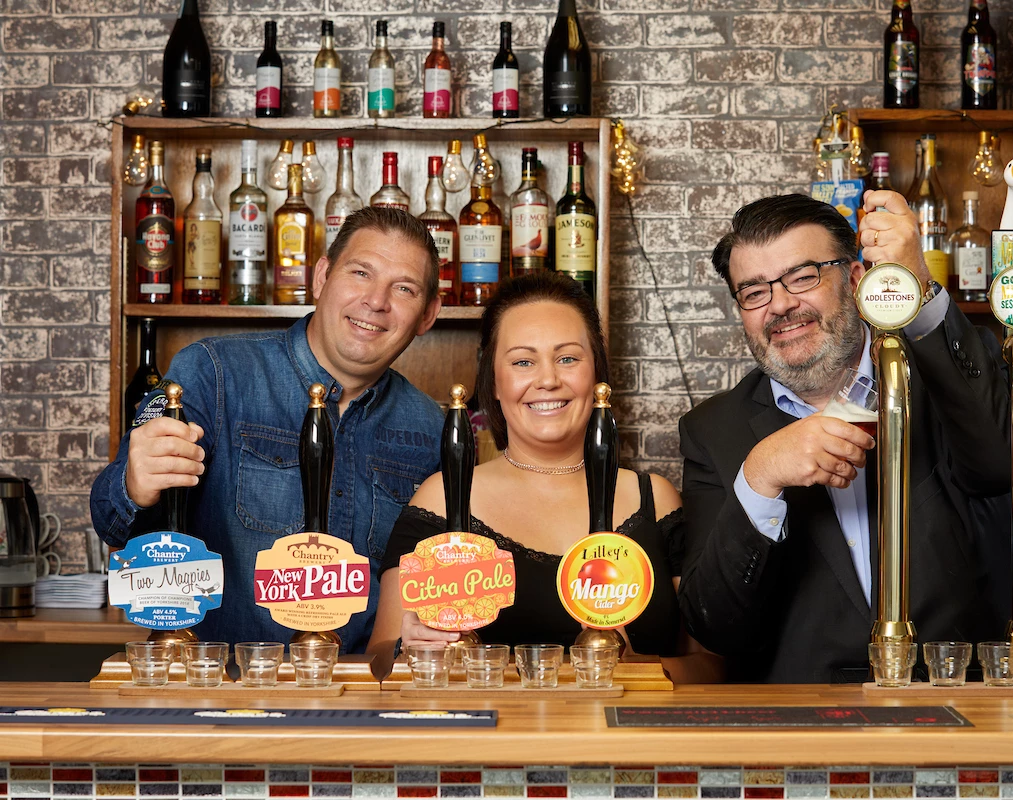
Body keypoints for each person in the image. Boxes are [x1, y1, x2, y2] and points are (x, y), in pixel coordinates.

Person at [676, 192, 1013, 683]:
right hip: (800, 728)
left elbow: (1003, 465)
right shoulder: (712, 431)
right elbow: (715, 627)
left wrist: (916, 286)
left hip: (956, 700)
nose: (781, 305)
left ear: (855, 279)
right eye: (754, 292)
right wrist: (759, 477)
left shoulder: (941, 376)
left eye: (803, 277)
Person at [90, 207, 446, 651]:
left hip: (366, 698)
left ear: (429, 313)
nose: (376, 301)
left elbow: (430, 584)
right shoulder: (213, 373)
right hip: (226, 694)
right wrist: (135, 484)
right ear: (321, 277)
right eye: (360, 273)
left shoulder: (433, 427)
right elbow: (113, 524)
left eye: (404, 288)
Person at [367, 273, 720, 683]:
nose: (548, 379)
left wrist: (632, 668)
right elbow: (378, 664)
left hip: (622, 743)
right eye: (522, 362)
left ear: (597, 373)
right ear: (494, 382)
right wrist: (412, 648)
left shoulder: (655, 500)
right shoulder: (443, 500)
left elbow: (711, 666)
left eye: (568, 358)